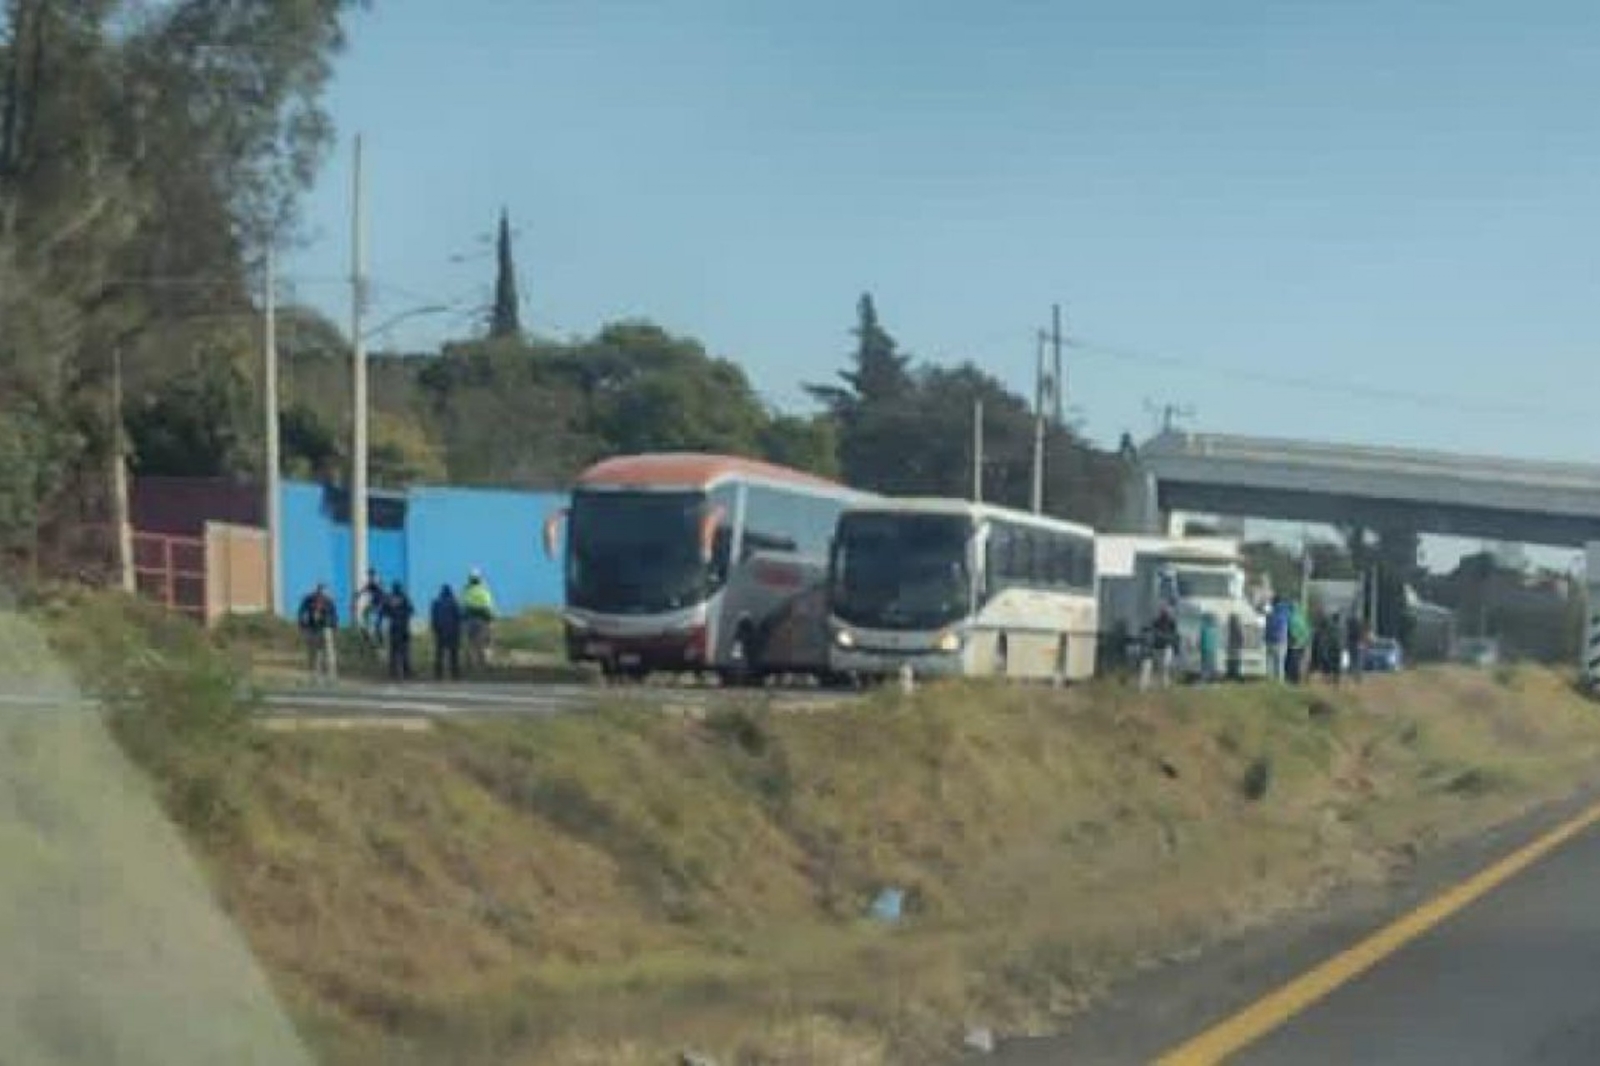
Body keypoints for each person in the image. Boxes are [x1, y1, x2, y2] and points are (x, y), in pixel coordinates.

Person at [296, 582, 339, 682]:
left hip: (325, 628)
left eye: (323, 591)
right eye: (319, 590)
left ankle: (331, 675)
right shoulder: (309, 599)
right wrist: (302, 624)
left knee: (329, 652)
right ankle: (315, 675)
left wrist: (334, 627)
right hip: (313, 628)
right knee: (314, 652)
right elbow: (301, 611)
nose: (321, 592)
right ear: (317, 590)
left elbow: (334, 615)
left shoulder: (328, 601)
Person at [460, 568, 496, 672]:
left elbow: (462, 605)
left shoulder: (466, 590)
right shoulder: (484, 590)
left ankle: (471, 664)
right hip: (482, 620)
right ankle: (485, 664)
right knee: (484, 643)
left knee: (471, 643)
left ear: (470, 579)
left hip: (469, 620)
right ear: (480, 578)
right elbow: (488, 605)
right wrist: (491, 619)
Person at [382, 581, 416, 680]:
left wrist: (392, 615)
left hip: (393, 628)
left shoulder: (389, 598)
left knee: (393, 651)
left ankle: (393, 672)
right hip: (403, 628)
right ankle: (406, 671)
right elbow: (411, 610)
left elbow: (384, 611)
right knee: (405, 651)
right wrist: (405, 616)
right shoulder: (404, 597)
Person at [1141, 605, 1179, 691]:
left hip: (1167, 647)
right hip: (1158, 647)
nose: (1164, 614)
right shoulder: (1156, 622)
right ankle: (1161, 684)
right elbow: (1152, 632)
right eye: (1163, 612)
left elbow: (1174, 636)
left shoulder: (1171, 623)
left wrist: (1175, 648)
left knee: (1165, 666)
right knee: (1160, 667)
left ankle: (1165, 684)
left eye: (1165, 612)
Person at [431, 584, 462, 681]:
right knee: (453, 654)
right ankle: (455, 673)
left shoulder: (436, 602)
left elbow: (434, 617)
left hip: (440, 631)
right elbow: (459, 616)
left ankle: (438, 673)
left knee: (439, 653)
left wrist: (435, 629)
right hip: (452, 631)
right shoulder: (454, 602)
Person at [357, 568, 385, 650]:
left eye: (371, 575)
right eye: (369, 575)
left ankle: (379, 642)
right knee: (365, 615)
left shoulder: (377, 582)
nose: (369, 577)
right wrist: (358, 594)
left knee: (377, 625)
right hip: (373, 605)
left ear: (374, 575)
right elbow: (365, 588)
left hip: (379, 606)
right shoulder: (371, 583)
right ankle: (367, 636)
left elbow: (379, 589)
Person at [1265, 595, 1292, 682]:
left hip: (1269, 641)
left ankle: (1269, 682)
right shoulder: (1286, 612)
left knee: (1269, 663)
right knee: (1280, 664)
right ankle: (1280, 682)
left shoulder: (1270, 613)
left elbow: (1267, 627)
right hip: (1281, 640)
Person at [1286, 601, 1311, 684]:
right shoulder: (1302, 617)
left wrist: (1294, 638)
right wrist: (1304, 640)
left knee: (1292, 662)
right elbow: (1307, 631)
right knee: (1298, 662)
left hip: (1293, 644)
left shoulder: (1290, 617)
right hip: (1302, 643)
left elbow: (1290, 630)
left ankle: (1292, 679)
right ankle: (1297, 679)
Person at [1199, 613, 1221, 684]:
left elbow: (1201, 639)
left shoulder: (1204, 628)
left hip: (1206, 648)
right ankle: (1214, 680)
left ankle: (1205, 679)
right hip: (1212, 649)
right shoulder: (1215, 628)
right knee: (1212, 665)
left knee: (1205, 665)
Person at [1346, 612, 1367, 684]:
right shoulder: (1359, 627)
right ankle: (1358, 678)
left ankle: (1353, 677)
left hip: (1351, 644)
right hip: (1358, 644)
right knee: (1358, 661)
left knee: (1353, 661)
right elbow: (1362, 636)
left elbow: (1348, 636)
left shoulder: (1350, 628)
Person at [1226, 613, 1245, 681]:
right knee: (1236, 662)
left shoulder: (1229, 628)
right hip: (1236, 648)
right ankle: (1236, 676)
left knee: (1231, 661)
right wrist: (1241, 646)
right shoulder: (1238, 627)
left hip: (1231, 647)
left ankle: (1231, 675)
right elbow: (1241, 638)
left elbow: (1228, 638)